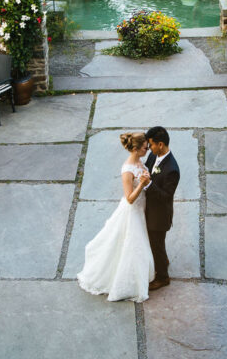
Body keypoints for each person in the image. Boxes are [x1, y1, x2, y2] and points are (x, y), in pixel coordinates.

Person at [77, 132, 155, 302]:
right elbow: (129, 199)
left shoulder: (139, 161)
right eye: (144, 147)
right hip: (132, 212)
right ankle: (130, 283)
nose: (147, 149)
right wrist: (142, 183)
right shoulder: (127, 170)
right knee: (133, 246)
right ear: (135, 149)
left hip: (142, 209)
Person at [143, 126, 179, 292]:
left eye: (151, 145)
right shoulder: (153, 155)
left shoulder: (172, 169)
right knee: (156, 244)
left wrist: (149, 184)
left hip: (159, 215)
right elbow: (147, 168)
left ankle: (163, 277)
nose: (149, 148)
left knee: (156, 244)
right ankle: (162, 262)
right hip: (149, 209)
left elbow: (166, 196)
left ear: (161, 144)